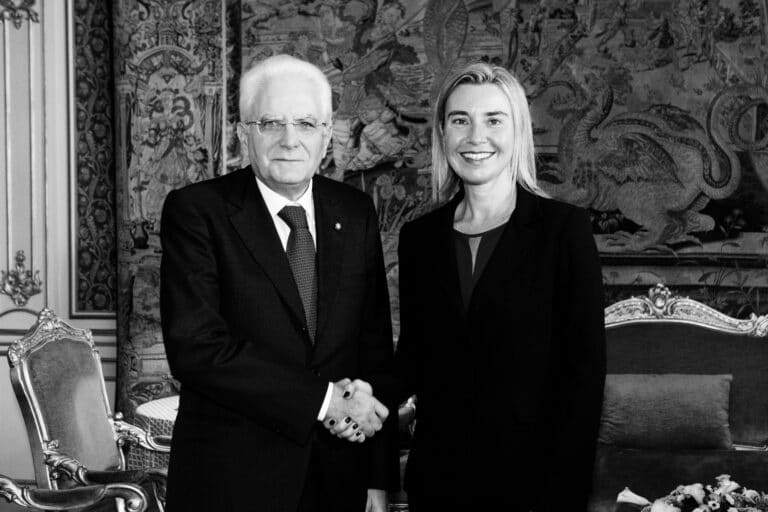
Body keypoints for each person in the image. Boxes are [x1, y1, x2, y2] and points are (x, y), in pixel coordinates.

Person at [160, 54, 398, 512]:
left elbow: (373, 348)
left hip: (339, 479)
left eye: (306, 124)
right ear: (242, 133)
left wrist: (377, 478)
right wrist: (324, 401)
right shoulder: (197, 212)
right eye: (270, 123)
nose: (290, 140)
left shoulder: (355, 212)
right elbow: (197, 348)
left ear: (326, 135)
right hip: (231, 482)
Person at [394, 62, 606, 511]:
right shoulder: (419, 239)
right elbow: (411, 361)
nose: (476, 137)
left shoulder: (563, 231)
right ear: (443, 133)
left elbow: (584, 379)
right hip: (438, 486)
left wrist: (560, 497)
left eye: (493, 120)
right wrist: (343, 398)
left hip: (535, 490)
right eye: (460, 120)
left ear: (518, 131)